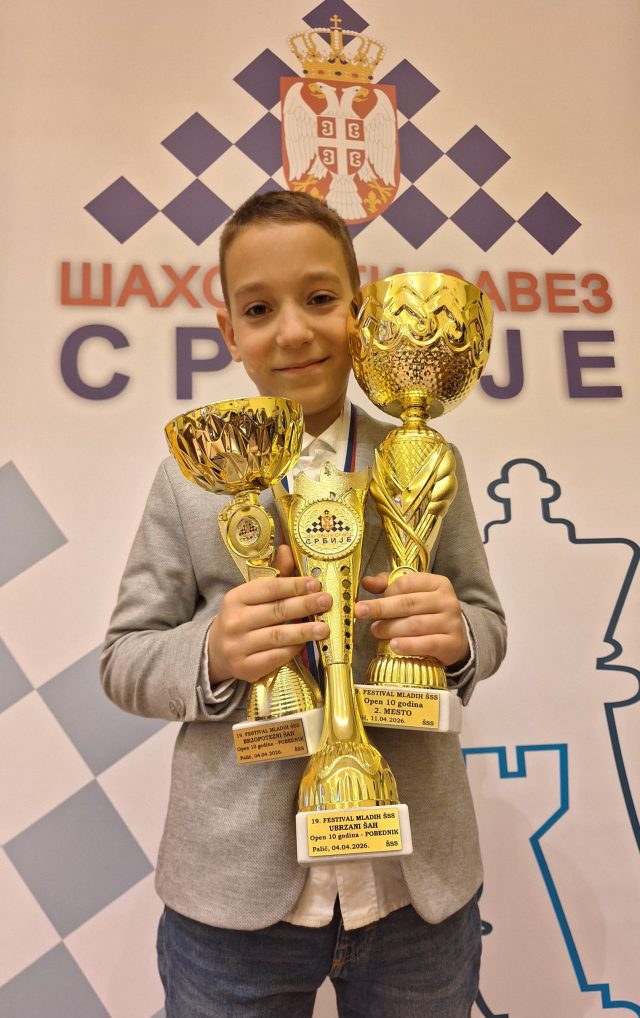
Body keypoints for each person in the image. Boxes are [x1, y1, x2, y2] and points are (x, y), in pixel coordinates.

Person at [101, 190, 506, 1018]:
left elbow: (487, 622)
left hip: (416, 893)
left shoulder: (424, 456)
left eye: (320, 298)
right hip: (234, 901)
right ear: (230, 333)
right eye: (259, 309)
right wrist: (213, 652)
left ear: (362, 311)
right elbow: (124, 658)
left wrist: (460, 635)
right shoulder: (188, 482)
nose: (292, 331)